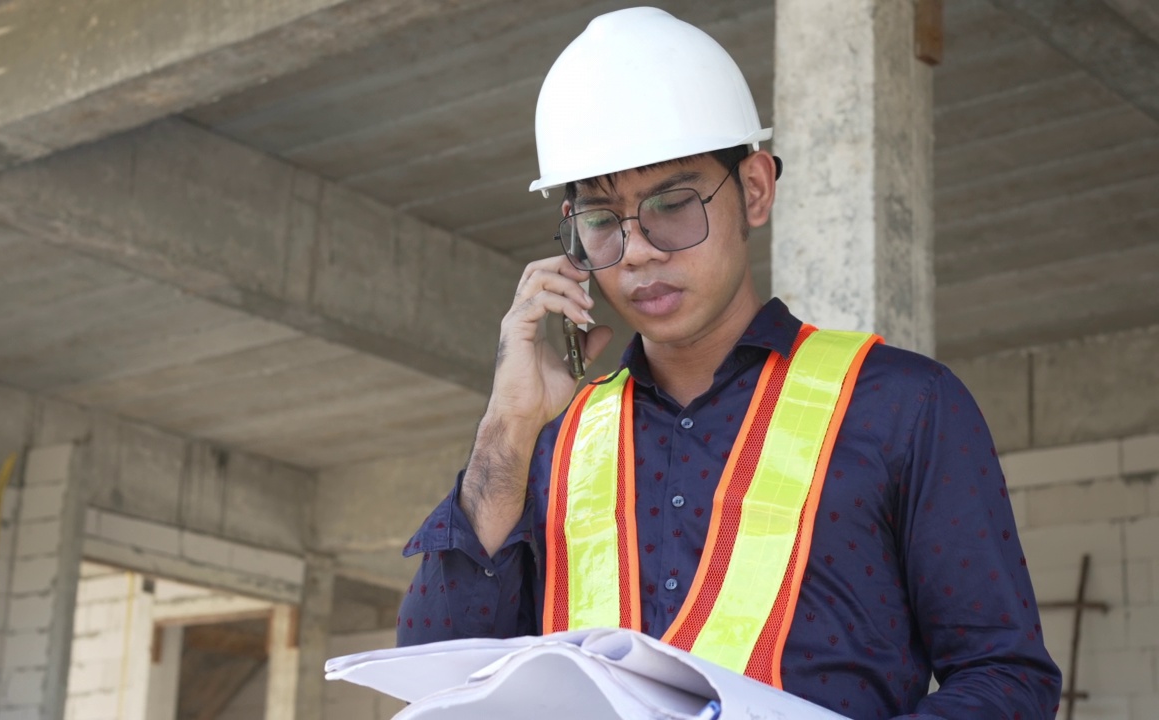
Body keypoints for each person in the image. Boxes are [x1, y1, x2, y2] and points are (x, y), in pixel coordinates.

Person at [396, 7, 1061, 718]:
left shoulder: (902, 407)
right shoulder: (549, 445)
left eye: (672, 205)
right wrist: (507, 426)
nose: (641, 249)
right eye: (600, 220)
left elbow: (1008, 679)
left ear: (754, 189)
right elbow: (441, 678)